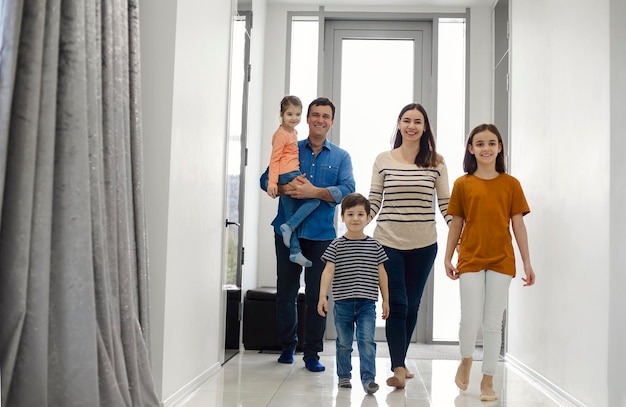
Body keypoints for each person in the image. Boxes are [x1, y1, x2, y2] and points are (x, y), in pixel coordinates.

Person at [260, 97, 355, 372]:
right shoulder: (289, 143)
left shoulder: (341, 157)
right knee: (286, 293)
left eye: (326, 116)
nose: (320, 120)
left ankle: (312, 353)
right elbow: (265, 178)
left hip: (322, 236)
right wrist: (285, 188)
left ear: (332, 122)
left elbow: (348, 188)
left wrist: (315, 192)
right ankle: (288, 346)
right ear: (307, 118)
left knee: (317, 295)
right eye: (315, 115)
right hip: (287, 232)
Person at [443, 123, 535, 402]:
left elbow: (518, 225)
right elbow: (456, 223)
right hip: (470, 258)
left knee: (493, 323)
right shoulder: (462, 184)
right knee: (470, 319)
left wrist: (527, 263)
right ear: (471, 148)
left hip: (501, 261)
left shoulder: (511, 184)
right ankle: (466, 359)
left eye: (491, 143)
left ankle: (488, 380)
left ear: (500, 147)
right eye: (480, 143)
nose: (486, 148)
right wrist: (447, 257)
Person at [368, 103, 452, 389]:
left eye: (418, 121)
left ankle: (400, 362)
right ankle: (397, 367)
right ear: (399, 124)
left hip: (424, 244)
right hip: (388, 242)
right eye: (406, 120)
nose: (412, 126)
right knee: (397, 303)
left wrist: (461, 233)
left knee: (412, 305)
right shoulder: (383, 160)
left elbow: (446, 204)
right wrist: (355, 223)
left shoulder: (436, 162)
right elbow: (374, 201)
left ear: (425, 127)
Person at [317, 193, 389, 394]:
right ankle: (344, 376)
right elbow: (327, 271)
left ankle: (368, 380)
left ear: (368, 217)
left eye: (360, 214)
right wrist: (323, 296)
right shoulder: (336, 245)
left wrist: (386, 300)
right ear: (342, 217)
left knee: (367, 341)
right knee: (344, 343)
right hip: (343, 304)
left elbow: (382, 273)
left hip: (367, 304)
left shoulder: (375, 245)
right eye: (350, 214)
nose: (355, 218)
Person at [266, 95, 320, 267]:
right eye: (290, 114)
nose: (294, 118)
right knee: (314, 199)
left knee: (290, 215)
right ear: (282, 114)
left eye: (297, 114)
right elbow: (274, 159)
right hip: (287, 174)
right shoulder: (281, 134)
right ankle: (289, 226)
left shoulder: (293, 132)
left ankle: (295, 252)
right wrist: (273, 183)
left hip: (291, 172)